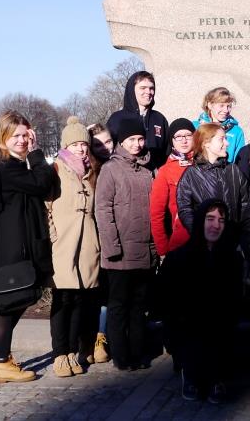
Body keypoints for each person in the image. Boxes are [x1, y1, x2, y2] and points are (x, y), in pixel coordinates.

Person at [0, 111, 56, 383]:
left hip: (13, 241)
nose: (22, 140)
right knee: (11, 301)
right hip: (18, 243)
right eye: (16, 136)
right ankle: (2, 361)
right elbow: (43, 183)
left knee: (13, 298)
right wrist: (36, 152)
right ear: (3, 137)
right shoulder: (9, 167)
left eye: (26, 135)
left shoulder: (4, 165)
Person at [158, 199, 244, 404]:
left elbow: (234, 302)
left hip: (218, 329)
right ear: (200, 221)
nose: (216, 225)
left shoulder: (232, 259)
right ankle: (190, 373)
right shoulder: (178, 258)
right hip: (189, 328)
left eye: (221, 220)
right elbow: (166, 303)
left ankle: (217, 376)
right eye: (210, 219)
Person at [95, 115, 155, 371]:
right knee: (119, 307)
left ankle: (138, 353)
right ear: (122, 141)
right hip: (119, 254)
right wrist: (112, 247)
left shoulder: (147, 170)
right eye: (131, 139)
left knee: (138, 307)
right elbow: (103, 209)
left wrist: (153, 247)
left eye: (140, 139)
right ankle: (121, 356)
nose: (137, 144)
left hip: (143, 251)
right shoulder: (110, 169)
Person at [47, 117, 101, 378]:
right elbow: (45, 208)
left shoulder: (91, 172)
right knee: (62, 300)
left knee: (81, 300)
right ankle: (60, 353)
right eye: (76, 144)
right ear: (66, 146)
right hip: (63, 245)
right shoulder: (56, 170)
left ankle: (73, 351)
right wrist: (53, 236)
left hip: (87, 246)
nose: (81, 148)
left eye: (84, 144)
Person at [176, 123, 250, 263]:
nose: (227, 143)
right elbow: (184, 209)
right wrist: (200, 233)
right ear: (206, 143)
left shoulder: (233, 170)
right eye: (222, 139)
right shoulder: (191, 175)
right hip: (203, 251)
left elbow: (247, 205)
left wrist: (243, 238)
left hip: (232, 248)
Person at [86, 122, 113, 365]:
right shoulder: (88, 170)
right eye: (98, 144)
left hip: (110, 238)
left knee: (106, 291)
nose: (105, 147)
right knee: (91, 291)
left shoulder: (115, 166)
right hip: (91, 238)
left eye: (108, 141)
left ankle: (100, 337)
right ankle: (88, 338)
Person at [150, 119, 196, 257]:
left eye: (188, 135)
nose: (184, 140)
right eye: (178, 137)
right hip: (180, 242)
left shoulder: (203, 164)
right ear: (172, 141)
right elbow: (156, 214)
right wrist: (163, 250)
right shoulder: (165, 171)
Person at [106, 71, 170, 170]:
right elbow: (107, 151)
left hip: (156, 176)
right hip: (125, 175)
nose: (148, 92)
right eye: (143, 88)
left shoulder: (159, 119)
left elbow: (167, 152)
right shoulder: (117, 119)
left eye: (151, 88)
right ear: (132, 90)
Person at [192, 87, 245, 164]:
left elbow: (239, 160)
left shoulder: (236, 131)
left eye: (229, 106)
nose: (226, 110)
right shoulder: (196, 126)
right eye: (221, 105)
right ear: (210, 105)